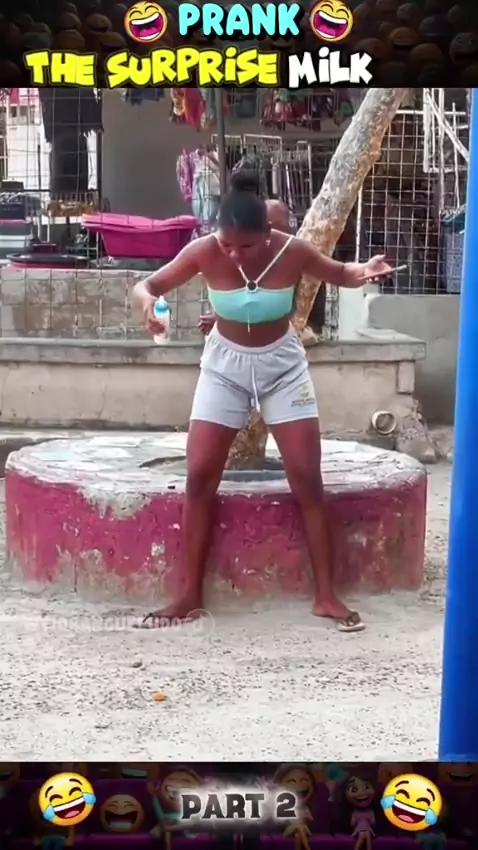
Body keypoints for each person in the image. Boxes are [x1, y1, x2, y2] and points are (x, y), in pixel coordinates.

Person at [133, 171, 392, 632]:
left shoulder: (292, 251)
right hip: (224, 367)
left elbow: (340, 274)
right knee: (199, 476)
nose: (234, 253)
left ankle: (326, 595)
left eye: (246, 246)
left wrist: (364, 270)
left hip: (283, 367)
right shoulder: (204, 251)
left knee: (307, 478)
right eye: (227, 244)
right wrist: (148, 306)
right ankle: (188, 594)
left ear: (267, 236)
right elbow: (147, 285)